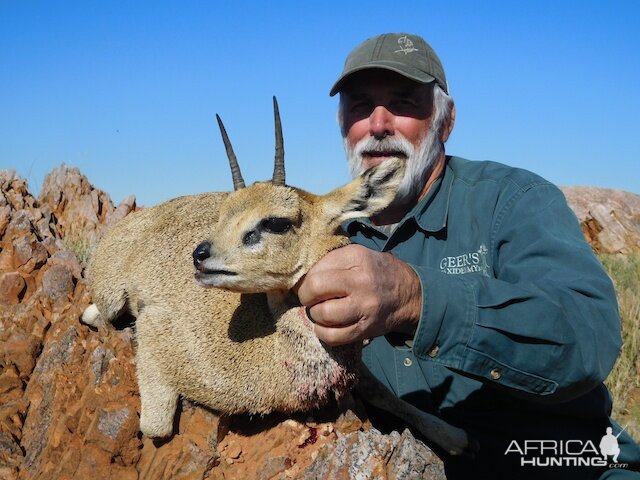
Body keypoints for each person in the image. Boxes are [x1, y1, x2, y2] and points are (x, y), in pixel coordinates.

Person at [296, 32, 640, 479]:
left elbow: (587, 341)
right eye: (360, 106)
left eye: (403, 102)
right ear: (344, 125)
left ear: (446, 120)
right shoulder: (319, 239)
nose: (378, 124)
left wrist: (416, 299)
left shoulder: (513, 201)